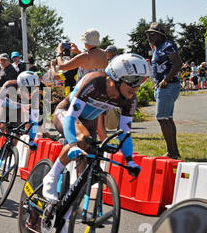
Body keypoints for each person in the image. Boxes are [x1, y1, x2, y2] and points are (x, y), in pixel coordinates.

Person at [43, 54, 152, 204]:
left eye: (141, 81)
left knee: (89, 160)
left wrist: (129, 160)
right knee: (81, 140)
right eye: (134, 81)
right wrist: (74, 144)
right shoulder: (94, 82)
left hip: (89, 123)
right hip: (66, 113)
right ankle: (51, 176)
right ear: (116, 77)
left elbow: (125, 132)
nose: (137, 87)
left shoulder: (129, 99)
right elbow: (70, 118)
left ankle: (71, 206)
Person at [147, 22, 183, 160]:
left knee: (162, 118)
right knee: (167, 118)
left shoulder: (167, 45)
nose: (149, 36)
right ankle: (173, 152)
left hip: (168, 86)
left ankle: (172, 152)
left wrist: (166, 80)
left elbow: (178, 63)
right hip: (163, 86)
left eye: (153, 33)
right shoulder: (158, 47)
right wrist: (157, 82)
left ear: (160, 35)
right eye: (148, 33)